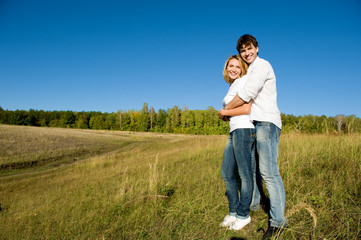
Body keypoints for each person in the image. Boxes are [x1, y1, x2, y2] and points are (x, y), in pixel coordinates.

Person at [224, 34, 288, 239]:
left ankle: (278, 222)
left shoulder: (262, 66)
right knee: (254, 171)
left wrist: (224, 111)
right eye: (243, 50)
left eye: (249, 48)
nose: (246, 53)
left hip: (267, 122)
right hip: (256, 123)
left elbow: (247, 95)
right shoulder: (250, 71)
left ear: (257, 48)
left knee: (269, 172)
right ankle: (253, 206)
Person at [218, 55, 256, 230]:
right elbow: (234, 110)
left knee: (244, 174)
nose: (233, 69)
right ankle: (233, 212)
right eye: (230, 66)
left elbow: (247, 108)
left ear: (242, 68)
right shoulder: (232, 85)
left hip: (244, 129)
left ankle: (243, 214)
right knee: (226, 172)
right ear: (226, 68)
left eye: (237, 66)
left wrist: (225, 111)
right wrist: (227, 115)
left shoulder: (244, 81)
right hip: (234, 130)